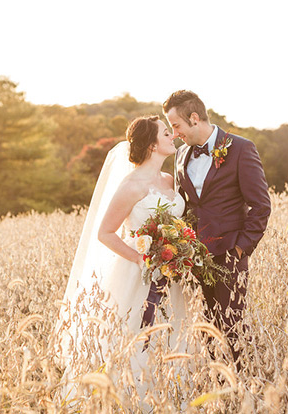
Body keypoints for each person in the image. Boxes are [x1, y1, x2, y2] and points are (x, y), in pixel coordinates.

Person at [56, 115, 189, 407]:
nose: (173, 136)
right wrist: (142, 259)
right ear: (152, 145)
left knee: (171, 336)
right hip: (139, 274)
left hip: (173, 272)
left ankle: (170, 399)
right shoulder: (131, 186)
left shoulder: (169, 179)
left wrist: (179, 251)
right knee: (137, 338)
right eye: (166, 133)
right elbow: (105, 232)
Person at [163, 90, 271, 369]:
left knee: (232, 331)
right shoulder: (181, 155)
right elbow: (186, 206)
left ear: (194, 118)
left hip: (228, 258)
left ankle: (242, 391)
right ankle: (215, 390)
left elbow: (261, 206)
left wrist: (239, 249)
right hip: (191, 260)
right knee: (203, 331)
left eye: (176, 126)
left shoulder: (241, 148)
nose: (174, 134)